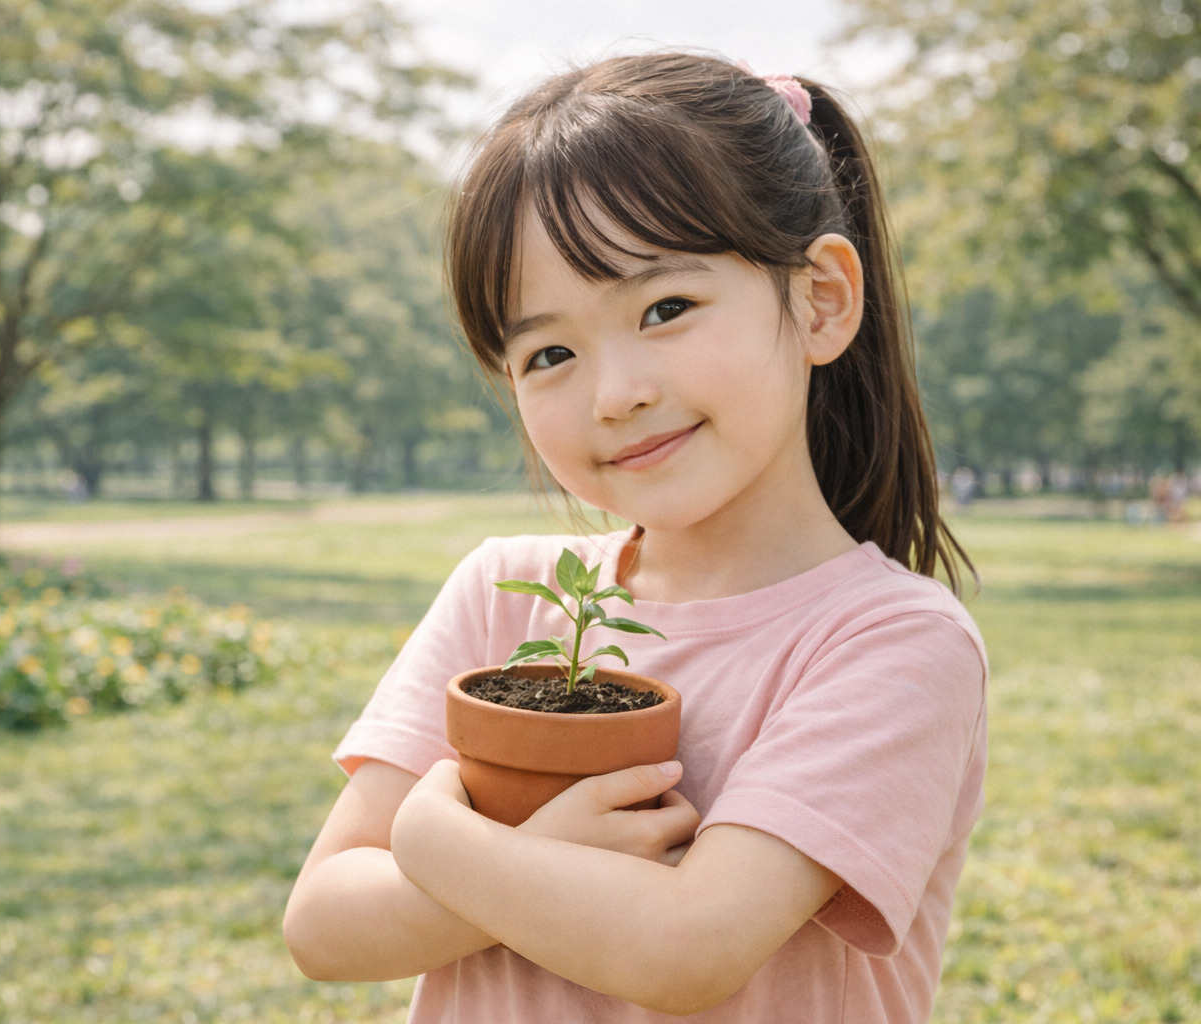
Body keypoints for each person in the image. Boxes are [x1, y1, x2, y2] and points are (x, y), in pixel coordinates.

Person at [284, 51, 987, 1023]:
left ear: (821, 298)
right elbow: (321, 921)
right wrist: (532, 861)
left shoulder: (893, 640)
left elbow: (688, 945)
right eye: (551, 353)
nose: (616, 393)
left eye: (666, 308)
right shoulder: (505, 594)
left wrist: (441, 844)